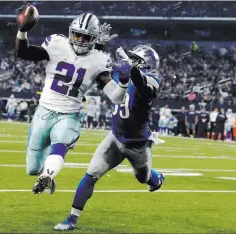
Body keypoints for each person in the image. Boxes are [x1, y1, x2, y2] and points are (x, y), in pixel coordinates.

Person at [15, 6, 128, 195]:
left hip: (69, 113)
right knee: (32, 168)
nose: (81, 41)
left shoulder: (99, 60)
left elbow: (116, 97)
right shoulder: (57, 44)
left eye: (86, 37)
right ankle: (45, 172)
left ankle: (48, 176)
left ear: (93, 39)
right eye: (77, 35)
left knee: (60, 143)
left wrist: (124, 81)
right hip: (44, 111)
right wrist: (22, 30)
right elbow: (24, 53)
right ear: (70, 33)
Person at [54, 45, 165, 231]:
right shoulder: (120, 73)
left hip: (138, 145)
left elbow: (143, 86)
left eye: (135, 59)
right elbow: (100, 73)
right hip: (114, 138)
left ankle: (155, 179)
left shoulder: (153, 80)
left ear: (145, 63)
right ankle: (71, 219)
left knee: (142, 177)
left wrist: (131, 71)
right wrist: (96, 47)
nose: (129, 61)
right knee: (91, 175)